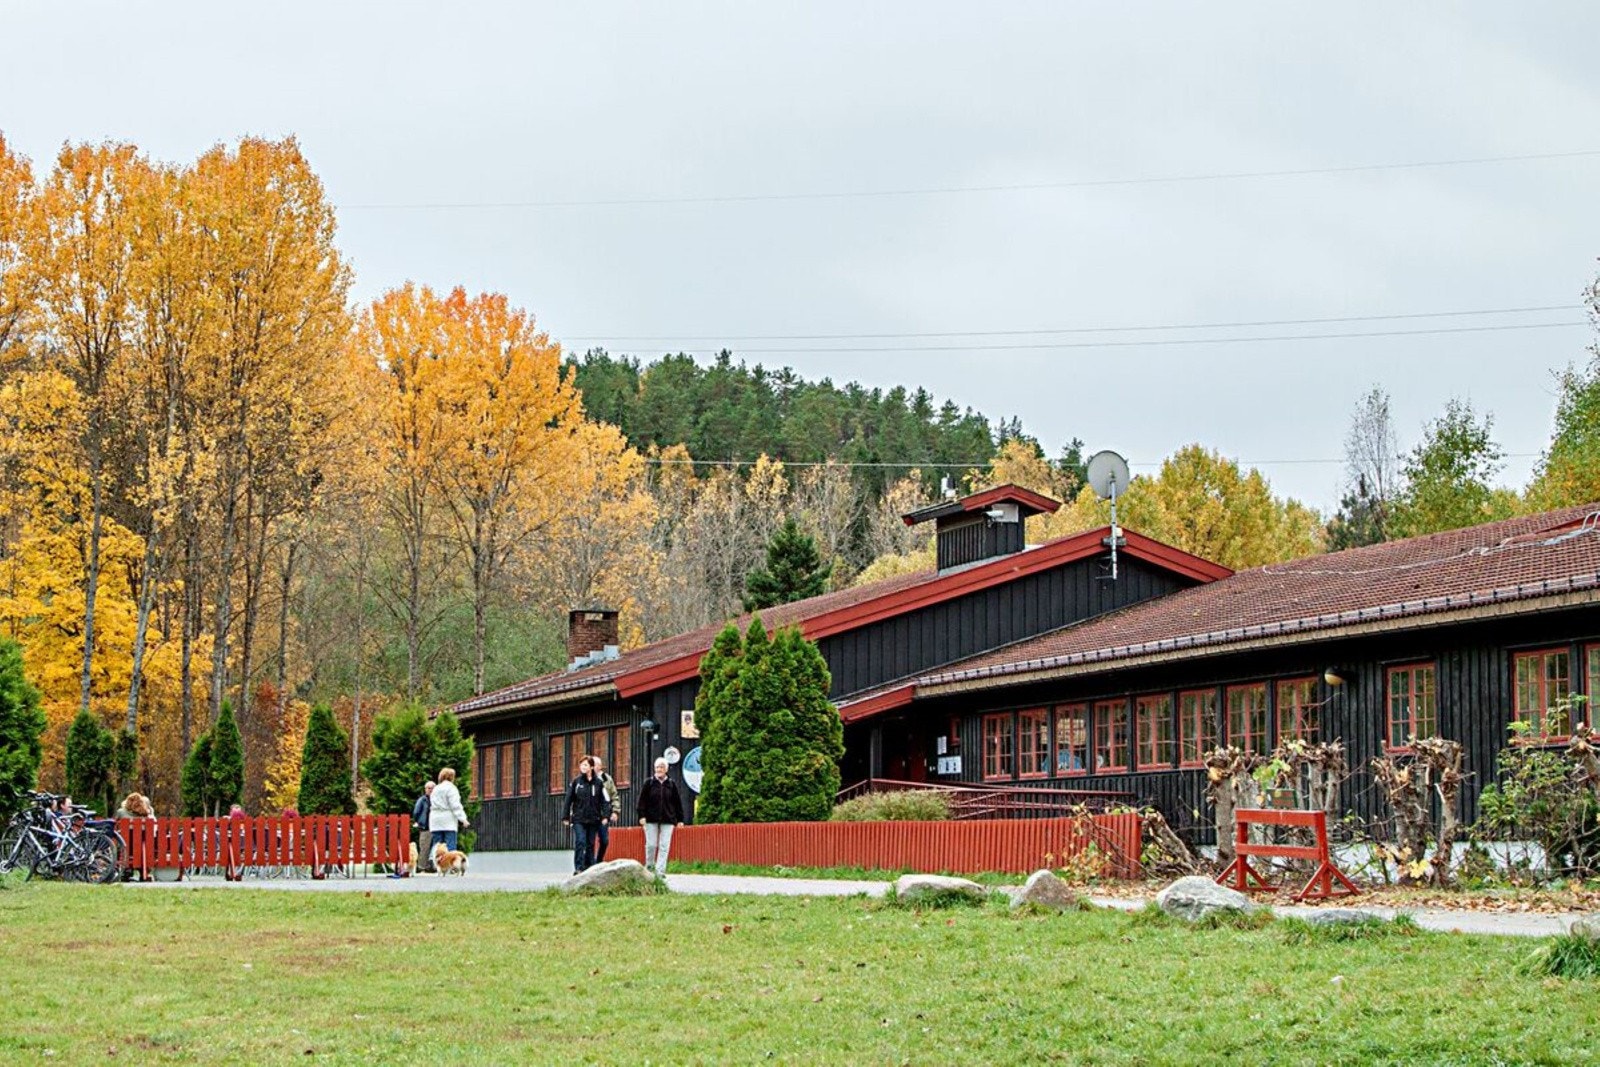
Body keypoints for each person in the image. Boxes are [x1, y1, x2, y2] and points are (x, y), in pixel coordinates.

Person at [637, 757, 685, 878]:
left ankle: (660, 871)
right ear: (654, 768)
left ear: (666, 769)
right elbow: (642, 801)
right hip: (650, 818)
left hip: (668, 819)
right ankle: (649, 867)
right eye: (657, 767)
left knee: (664, 846)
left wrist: (680, 819)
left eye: (662, 767)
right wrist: (641, 815)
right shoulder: (649, 783)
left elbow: (677, 802)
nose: (659, 769)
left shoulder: (671, 784)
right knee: (651, 844)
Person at [561, 756, 608, 874]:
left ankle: (590, 866)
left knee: (590, 844)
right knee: (580, 841)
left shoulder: (599, 783)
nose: (583, 767)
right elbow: (568, 800)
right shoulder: (576, 782)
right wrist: (565, 816)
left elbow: (605, 800)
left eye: (586, 765)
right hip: (579, 819)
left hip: (594, 819)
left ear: (591, 767)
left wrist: (605, 816)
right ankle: (578, 867)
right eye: (581, 765)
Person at [429, 767, 469, 855]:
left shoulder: (436, 789)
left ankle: (437, 865)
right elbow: (455, 805)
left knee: (437, 846)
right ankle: (450, 866)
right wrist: (463, 819)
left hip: (435, 819)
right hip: (448, 820)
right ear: (452, 777)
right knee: (450, 846)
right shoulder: (451, 788)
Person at [590, 755, 622, 863]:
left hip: (603, 815)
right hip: (589, 815)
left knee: (604, 840)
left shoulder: (607, 779)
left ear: (600, 766)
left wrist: (615, 811)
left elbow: (614, 796)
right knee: (589, 841)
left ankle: (598, 860)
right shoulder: (587, 778)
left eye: (595, 764)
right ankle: (590, 863)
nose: (593, 767)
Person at [412, 781, 435, 873]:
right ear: (425, 789)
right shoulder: (422, 800)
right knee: (424, 847)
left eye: (431, 788)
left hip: (435, 827)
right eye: (428, 788)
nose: (430, 790)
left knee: (434, 848)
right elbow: (416, 812)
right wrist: (419, 822)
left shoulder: (437, 799)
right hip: (425, 827)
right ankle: (421, 867)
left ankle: (430, 867)